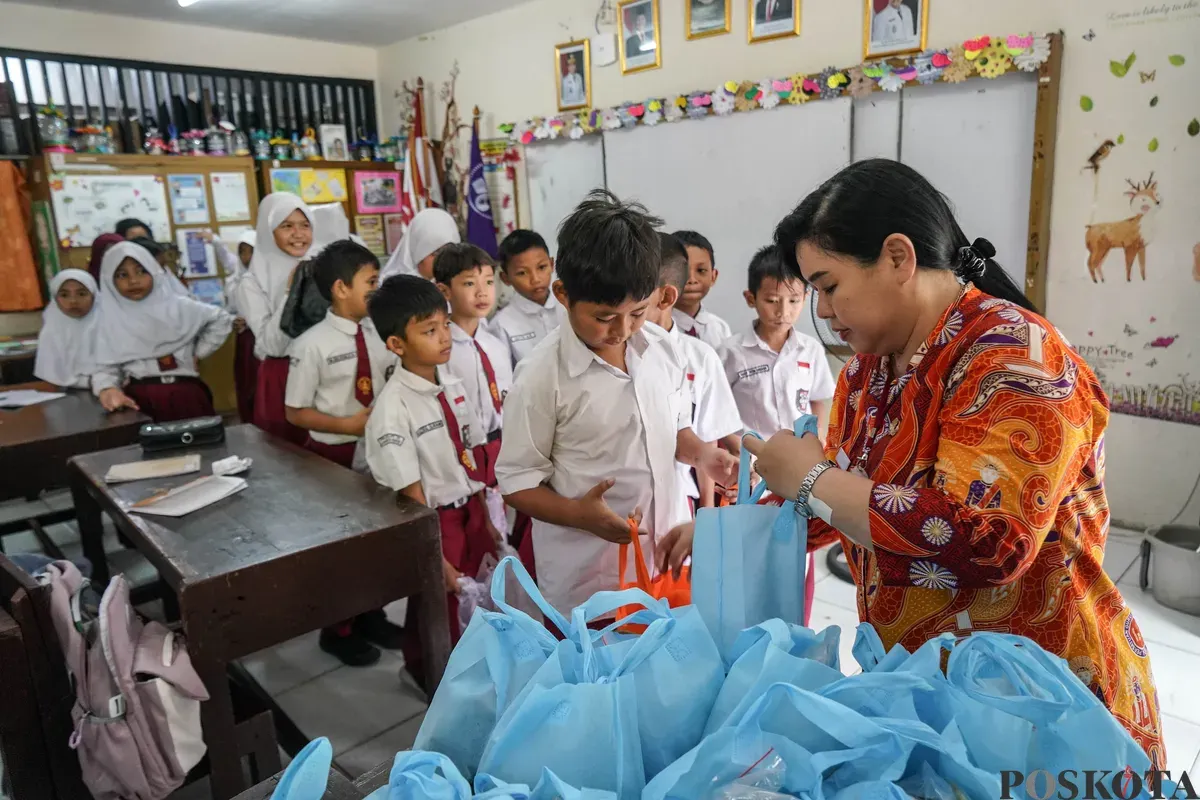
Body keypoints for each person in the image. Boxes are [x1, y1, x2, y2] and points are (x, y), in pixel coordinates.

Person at [739, 159, 1164, 766]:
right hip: (926, 694)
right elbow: (859, 507)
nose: (822, 312)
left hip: (1036, 705)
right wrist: (735, 528)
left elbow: (989, 540)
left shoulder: (1017, 357)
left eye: (828, 287)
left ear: (897, 257)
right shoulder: (867, 372)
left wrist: (810, 479)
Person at [495, 190, 737, 616]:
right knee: (601, 674)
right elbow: (517, 484)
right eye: (605, 317)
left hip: (664, 553)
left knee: (660, 663)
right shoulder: (540, 377)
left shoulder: (664, 350)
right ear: (563, 294)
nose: (622, 330)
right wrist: (577, 513)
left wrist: (702, 454)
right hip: (589, 576)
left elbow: (669, 430)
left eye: (638, 312)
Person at [365, 274, 503, 686]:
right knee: (437, 606)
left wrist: (487, 520)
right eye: (429, 331)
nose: (444, 337)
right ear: (396, 345)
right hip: (434, 522)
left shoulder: (453, 386)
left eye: (445, 324)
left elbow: (472, 461)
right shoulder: (392, 410)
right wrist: (437, 556)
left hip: (469, 512)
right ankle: (427, 673)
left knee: (471, 598)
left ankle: (471, 669)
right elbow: (411, 494)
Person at [645, 232, 742, 516]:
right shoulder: (618, 350)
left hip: (681, 493)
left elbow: (708, 433)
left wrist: (708, 510)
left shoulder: (700, 354)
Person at [90, 241, 232, 421]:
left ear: (154, 271)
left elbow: (221, 318)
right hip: (140, 399)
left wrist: (199, 352)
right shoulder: (109, 321)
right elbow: (104, 366)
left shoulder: (179, 306)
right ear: (109, 280)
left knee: (201, 444)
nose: (133, 281)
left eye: (141, 271)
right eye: (122, 275)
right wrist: (108, 389)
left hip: (186, 393)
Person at [285, 240, 392, 470]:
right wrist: (346, 426)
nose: (377, 289)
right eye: (371, 282)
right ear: (342, 288)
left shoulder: (383, 334)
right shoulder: (310, 345)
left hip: (385, 444)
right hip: (334, 452)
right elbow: (295, 412)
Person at [718, 244, 835, 438]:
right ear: (750, 298)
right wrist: (739, 451)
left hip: (798, 457)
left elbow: (816, 401)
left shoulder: (811, 349)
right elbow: (718, 410)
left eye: (793, 301)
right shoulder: (730, 352)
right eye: (772, 300)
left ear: (805, 298)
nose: (783, 312)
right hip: (751, 457)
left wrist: (818, 438)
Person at [237, 193, 314, 444]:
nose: (298, 234)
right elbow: (272, 345)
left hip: (324, 371)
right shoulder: (251, 283)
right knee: (290, 458)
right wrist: (292, 291)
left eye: (305, 225)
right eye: (286, 226)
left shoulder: (319, 269)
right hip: (283, 376)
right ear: (268, 231)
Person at [434, 243, 512, 484]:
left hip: (502, 447)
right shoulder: (441, 350)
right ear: (444, 291)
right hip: (461, 454)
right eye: (469, 283)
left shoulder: (496, 345)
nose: (482, 292)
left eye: (488, 282)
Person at [207, 229, 257, 422]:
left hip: (262, 339)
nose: (246, 257)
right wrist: (232, 318)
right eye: (242, 251)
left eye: (250, 251)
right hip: (244, 338)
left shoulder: (269, 277)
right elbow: (232, 307)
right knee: (246, 382)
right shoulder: (236, 277)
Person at [491, 229, 560, 366]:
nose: (535, 279)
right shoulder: (501, 326)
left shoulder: (570, 306)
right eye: (522, 273)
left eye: (541, 267)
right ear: (505, 278)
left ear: (552, 265)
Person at [34, 269, 99, 390]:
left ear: (94, 295)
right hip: (63, 397)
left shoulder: (109, 325)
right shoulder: (51, 331)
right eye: (64, 295)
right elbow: (51, 376)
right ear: (55, 298)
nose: (73, 301)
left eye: (81, 294)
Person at [671, 230, 732, 349]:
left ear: (713, 276)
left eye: (701, 271)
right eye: (682, 270)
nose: (692, 279)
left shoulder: (720, 328)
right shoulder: (656, 328)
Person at [380, 208, 461, 281]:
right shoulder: (394, 289)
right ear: (417, 252)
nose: (444, 259)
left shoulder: (461, 282)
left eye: (449, 251)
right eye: (436, 252)